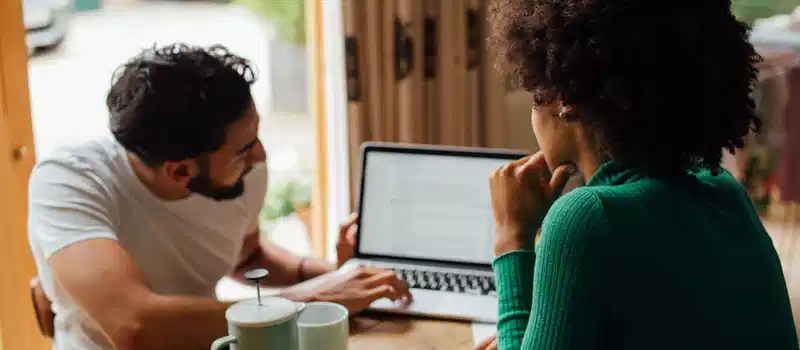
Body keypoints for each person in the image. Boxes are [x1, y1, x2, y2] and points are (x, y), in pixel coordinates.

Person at [27, 43, 411, 350]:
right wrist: (310, 299)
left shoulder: (244, 172)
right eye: (245, 149)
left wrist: (337, 276)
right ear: (180, 171)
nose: (260, 156)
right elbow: (136, 327)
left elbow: (248, 258)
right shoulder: (69, 181)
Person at [478, 0, 798, 349]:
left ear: (565, 99)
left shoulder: (587, 218)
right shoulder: (725, 192)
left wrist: (512, 236)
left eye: (536, 91)